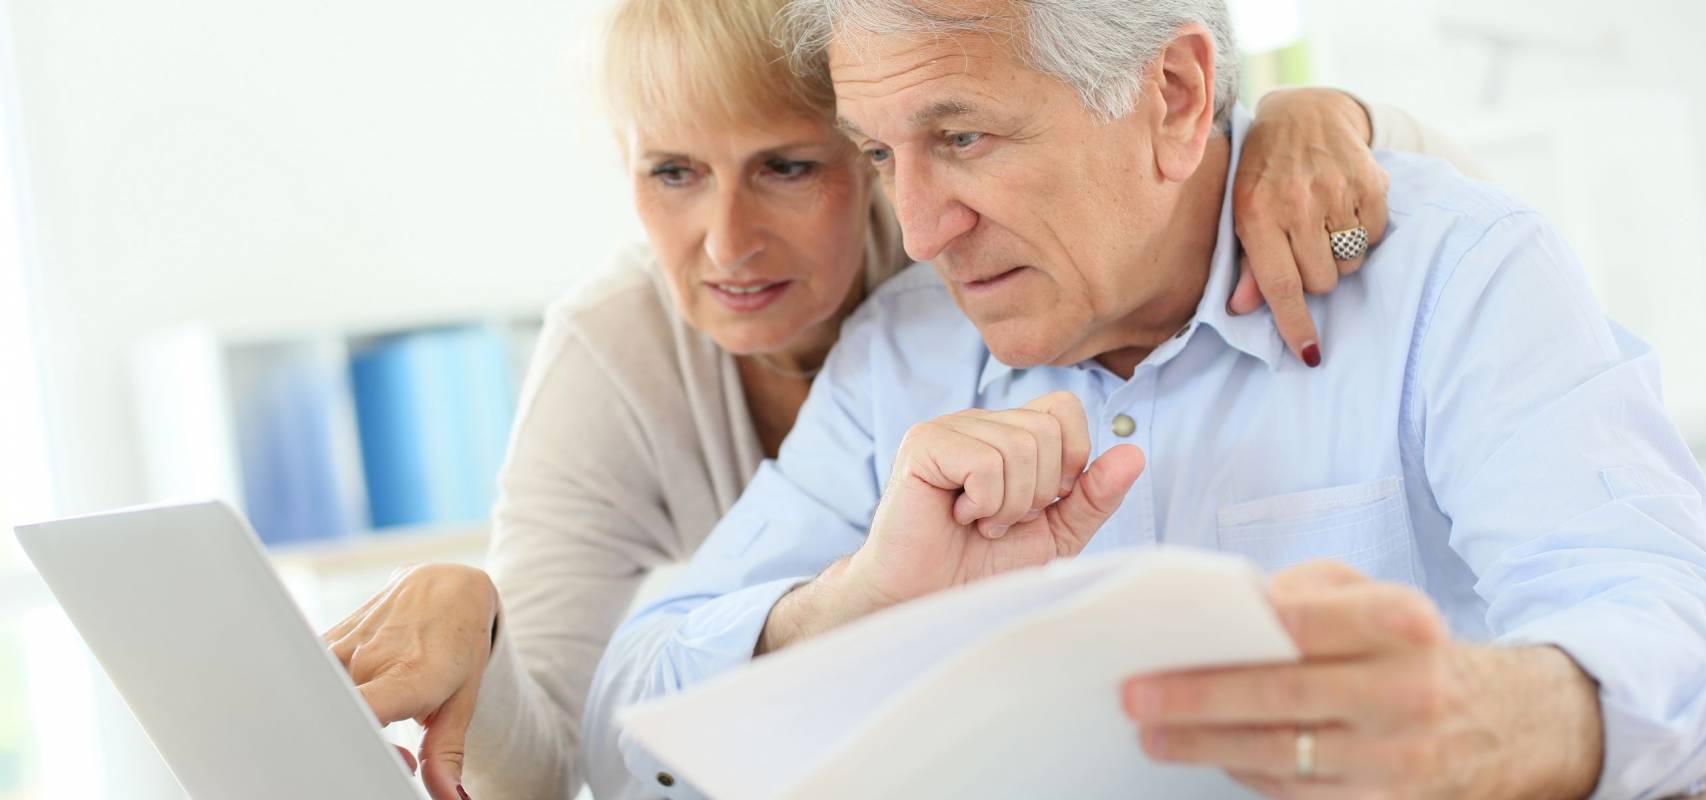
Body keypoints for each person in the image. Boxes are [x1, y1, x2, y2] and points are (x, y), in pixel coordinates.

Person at [587, 1, 1706, 798]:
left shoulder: (1449, 277)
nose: (920, 228)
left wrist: (1485, 714)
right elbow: (626, 712)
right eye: (884, 155)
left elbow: (1695, 646)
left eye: (964, 137)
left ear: (1171, 93)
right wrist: (854, 601)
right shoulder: (902, 358)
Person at [317, 1, 1472, 798]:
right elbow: (587, 738)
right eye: (671, 171)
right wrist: (474, 618)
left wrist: (1318, 112)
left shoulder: (952, 264)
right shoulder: (618, 354)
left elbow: (1291, 179)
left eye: (790, 165)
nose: (726, 242)